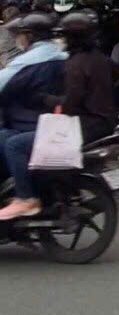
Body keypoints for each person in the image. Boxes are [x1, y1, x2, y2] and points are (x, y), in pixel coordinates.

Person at [0, 14, 66, 221]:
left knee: (9, 142)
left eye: (20, 35)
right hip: (45, 121)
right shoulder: (59, 56)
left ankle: (25, 198)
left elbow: (3, 84)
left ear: (30, 36)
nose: (18, 40)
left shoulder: (31, 61)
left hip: (33, 124)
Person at [58, 12, 117, 148]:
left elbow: (72, 101)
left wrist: (48, 100)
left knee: (17, 144)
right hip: (107, 122)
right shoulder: (102, 59)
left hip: (86, 126)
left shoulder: (75, 64)